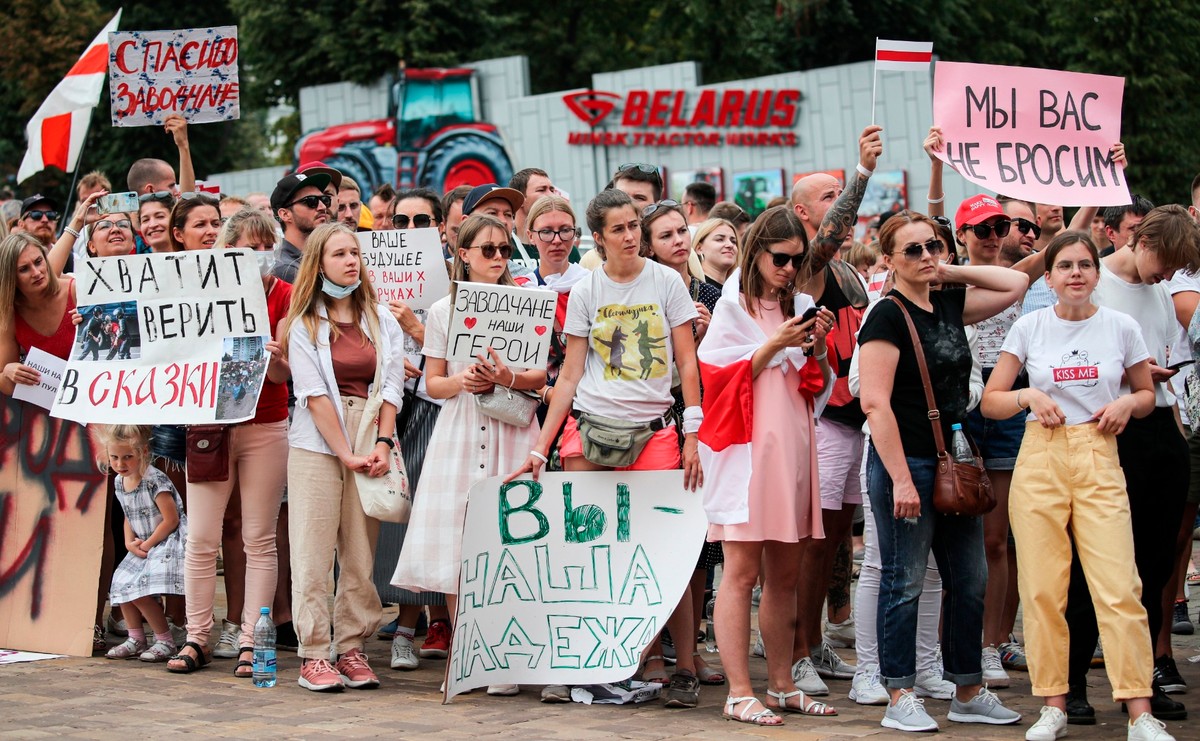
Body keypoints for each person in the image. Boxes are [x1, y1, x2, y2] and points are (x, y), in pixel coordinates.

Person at [507, 189, 703, 707]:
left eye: (634, 224)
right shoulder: (589, 290)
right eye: (618, 228)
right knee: (589, 558)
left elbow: (687, 362)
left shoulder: (666, 282)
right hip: (591, 432)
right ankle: (580, 663)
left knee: (669, 557)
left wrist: (693, 434)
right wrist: (541, 447)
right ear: (599, 237)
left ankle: (683, 666)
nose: (630, 235)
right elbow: (569, 373)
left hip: (656, 431)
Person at [979, 232, 1172, 741]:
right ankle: (1054, 705)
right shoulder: (1030, 326)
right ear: (1049, 277)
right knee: (1043, 588)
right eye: (1065, 266)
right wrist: (1027, 396)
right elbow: (991, 401)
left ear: (1097, 272)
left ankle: (1139, 711)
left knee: (1119, 587)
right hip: (1041, 453)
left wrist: (1128, 404)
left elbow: (1147, 393)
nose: (1076, 274)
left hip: (1099, 453)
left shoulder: (1121, 326)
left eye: (1085, 264)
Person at [857, 210, 1027, 732]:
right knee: (904, 581)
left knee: (970, 579)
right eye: (913, 251)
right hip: (905, 462)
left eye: (933, 246)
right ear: (888, 261)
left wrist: (948, 272)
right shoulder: (885, 315)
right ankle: (899, 693)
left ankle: (967, 688)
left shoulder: (948, 300)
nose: (927, 256)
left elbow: (1017, 281)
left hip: (953, 460)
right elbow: (875, 405)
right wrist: (902, 480)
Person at [391, 214, 545, 696]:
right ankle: (466, 652)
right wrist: (465, 381)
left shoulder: (529, 302)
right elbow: (434, 381)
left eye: (504, 249)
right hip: (459, 431)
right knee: (459, 546)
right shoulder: (442, 310)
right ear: (464, 253)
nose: (498, 258)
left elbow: (541, 375)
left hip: (511, 431)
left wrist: (506, 378)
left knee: (508, 543)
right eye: (488, 250)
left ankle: (505, 658)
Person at [699, 205, 837, 726]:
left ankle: (781, 683)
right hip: (748, 453)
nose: (787, 269)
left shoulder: (801, 302)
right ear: (757, 252)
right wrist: (775, 343)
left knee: (787, 573)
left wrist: (817, 347)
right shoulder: (733, 307)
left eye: (796, 260)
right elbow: (717, 381)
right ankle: (739, 690)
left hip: (795, 448)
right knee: (740, 571)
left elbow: (815, 383)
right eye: (779, 258)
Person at [1064, 205, 1200, 723]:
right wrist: (1134, 374)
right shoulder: (1096, 284)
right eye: (1165, 261)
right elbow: (1077, 355)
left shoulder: (1162, 291)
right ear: (1141, 242)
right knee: (1090, 565)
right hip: (1110, 429)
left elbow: (1162, 361)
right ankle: (1073, 683)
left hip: (1162, 424)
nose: (1167, 274)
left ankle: (1139, 684)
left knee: (1154, 564)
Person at [166, 209, 292, 678]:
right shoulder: (204, 295)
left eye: (265, 247)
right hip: (208, 427)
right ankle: (197, 637)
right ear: (228, 251)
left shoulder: (284, 295)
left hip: (264, 425)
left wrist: (276, 359)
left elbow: (284, 376)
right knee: (200, 539)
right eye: (248, 247)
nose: (259, 256)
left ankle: (249, 639)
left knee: (259, 539)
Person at [283, 222, 407, 692]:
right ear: (319, 264)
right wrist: (345, 453)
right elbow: (314, 396)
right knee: (312, 551)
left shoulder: (382, 319)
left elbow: (393, 385)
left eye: (354, 252)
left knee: (360, 552)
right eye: (339, 254)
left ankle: (351, 647)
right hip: (318, 444)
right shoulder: (305, 323)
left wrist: (381, 444)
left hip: (370, 436)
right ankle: (314, 653)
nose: (350, 260)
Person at [374, 187, 453, 672]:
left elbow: (468, 352)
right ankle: (405, 624)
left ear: (440, 227)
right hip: (390, 411)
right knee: (398, 517)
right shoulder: (372, 277)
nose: (410, 232)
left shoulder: (459, 280)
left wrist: (422, 340)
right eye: (400, 222)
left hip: (437, 407)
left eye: (421, 222)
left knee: (442, 514)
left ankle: (443, 618)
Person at [96, 424, 187, 664]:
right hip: (142, 542)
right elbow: (129, 513)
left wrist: (147, 544)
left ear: (143, 452)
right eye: (114, 457)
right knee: (121, 584)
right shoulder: (119, 481)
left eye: (127, 457)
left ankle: (165, 639)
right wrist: (129, 542)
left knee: (141, 591)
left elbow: (171, 520)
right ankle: (136, 638)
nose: (120, 464)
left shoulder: (154, 480)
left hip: (165, 541)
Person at [270, 172, 334, 283]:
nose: (322, 207)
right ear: (285, 214)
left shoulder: (324, 257)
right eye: (311, 201)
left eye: (325, 199)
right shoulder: (285, 269)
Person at [692, 218, 739, 289]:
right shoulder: (693, 287)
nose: (730, 245)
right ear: (699, 248)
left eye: (733, 241)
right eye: (720, 239)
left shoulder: (737, 291)